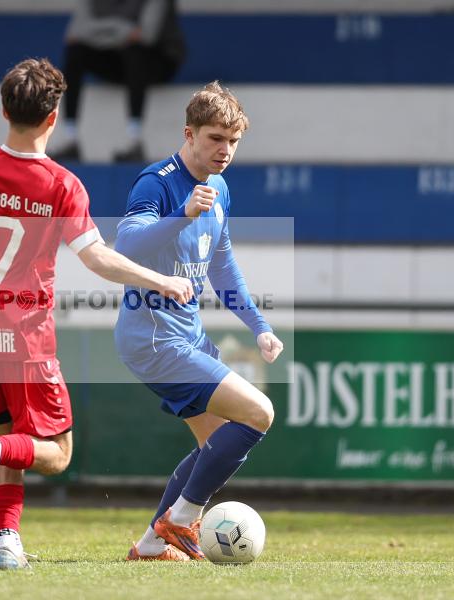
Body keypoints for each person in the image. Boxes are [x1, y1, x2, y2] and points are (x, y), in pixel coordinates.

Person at [0, 58, 193, 570]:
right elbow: (96, 257)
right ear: (54, 118)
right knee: (54, 451)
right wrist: (162, 279)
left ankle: (7, 544)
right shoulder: (61, 185)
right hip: (21, 334)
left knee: (12, 434)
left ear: (5, 110)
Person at [113, 82, 283, 561]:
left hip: (185, 336)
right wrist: (182, 215)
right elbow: (124, 249)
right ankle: (182, 519)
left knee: (215, 447)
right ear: (189, 134)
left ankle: (150, 547)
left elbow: (222, 265)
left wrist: (258, 326)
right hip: (152, 339)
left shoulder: (220, 186)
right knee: (259, 413)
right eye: (214, 139)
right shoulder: (157, 182)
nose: (224, 150)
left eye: (232, 141)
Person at [50, 0, 185, 163]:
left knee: (135, 52)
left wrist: (99, 33)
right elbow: (74, 33)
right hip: (117, 57)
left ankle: (135, 140)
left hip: (157, 63)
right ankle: (70, 137)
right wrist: (122, 31)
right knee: (75, 53)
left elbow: (146, 35)